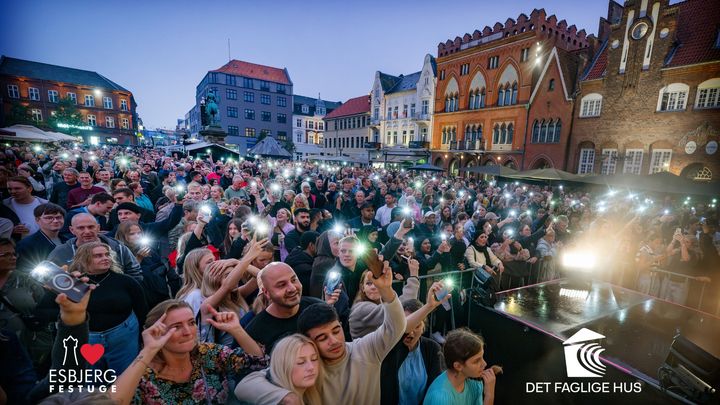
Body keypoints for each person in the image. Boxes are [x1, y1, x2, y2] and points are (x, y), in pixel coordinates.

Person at [235, 257, 407, 405]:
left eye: (335, 330)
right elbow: (244, 384)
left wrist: (386, 290)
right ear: (309, 342)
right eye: (322, 337)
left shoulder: (364, 350)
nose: (333, 341)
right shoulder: (306, 368)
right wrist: (286, 397)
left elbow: (396, 327)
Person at [110, 299, 268, 405]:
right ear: (157, 332)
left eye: (191, 323)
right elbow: (112, 402)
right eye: (176, 327)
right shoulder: (143, 376)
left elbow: (257, 362)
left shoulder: (207, 353)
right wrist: (149, 350)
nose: (188, 332)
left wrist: (237, 330)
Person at [381, 298, 445, 405]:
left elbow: (435, 386)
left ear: (424, 327)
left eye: (417, 326)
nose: (410, 332)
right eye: (406, 325)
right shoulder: (389, 349)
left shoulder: (432, 348)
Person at [245, 263, 322, 351]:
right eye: (281, 285)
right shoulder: (255, 332)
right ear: (266, 293)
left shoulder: (317, 308)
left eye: (294, 280)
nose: (292, 288)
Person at [47, 213, 143, 281]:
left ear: (98, 227)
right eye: (81, 228)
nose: (87, 231)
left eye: (91, 227)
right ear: (72, 230)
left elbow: (135, 271)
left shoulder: (117, 247)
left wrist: (126, 290)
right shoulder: (61, 252)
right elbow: (50, 278)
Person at [115, 221, 182, 310]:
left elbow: (163, 268)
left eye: (139, 233)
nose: (137, 236)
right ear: (123, 236)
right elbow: (126, 279)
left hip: (160, 294)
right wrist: (138, 259)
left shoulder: (149, 250)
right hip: (142, 300)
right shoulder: (120, 254)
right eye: (132, 234)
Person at [423, 329, 496, 405]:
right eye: (476, 361)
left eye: (482, 357)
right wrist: (489, 396)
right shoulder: (441, 398)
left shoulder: (474, 383)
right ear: (458, 366)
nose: (484, 364)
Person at [266, 334, 324, 405]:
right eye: (301, 362)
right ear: (283, 367)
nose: (311, 367)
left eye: (314, 359)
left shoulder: (309, 396)